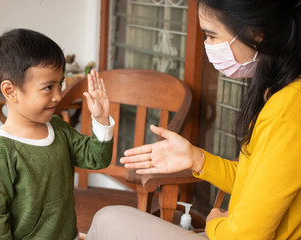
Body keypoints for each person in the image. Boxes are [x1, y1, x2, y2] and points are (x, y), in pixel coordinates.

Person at [86, 0, 301, 239]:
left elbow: (246, 235)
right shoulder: (280, 94)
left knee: (109, 220)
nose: (206, 45)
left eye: (211, 35)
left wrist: (214, 224)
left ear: (257, 34)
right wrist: (196, 159)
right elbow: (254, 182)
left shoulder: (287, 109)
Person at [0, 28, 114, 240]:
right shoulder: (0, 150)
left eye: (60, 84)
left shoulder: (58, 127)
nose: (59, 96)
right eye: (48, 87)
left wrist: (102, 119)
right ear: (10, 91)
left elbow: (97, 159)